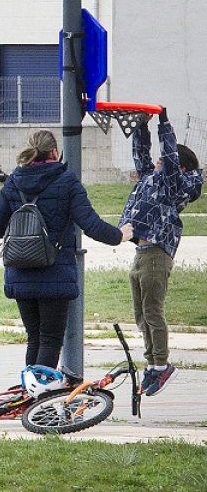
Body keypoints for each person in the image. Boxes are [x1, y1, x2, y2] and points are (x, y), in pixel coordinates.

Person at [0, 129, 133, 370]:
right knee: (50, 340)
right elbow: (90, 224)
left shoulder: (13, 182)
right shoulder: (66, 180)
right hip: (54, 271)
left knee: (34, 338)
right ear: (55, 151)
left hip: (20, 271)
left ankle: (29, 397)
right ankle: (40, 399)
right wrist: (119, 236)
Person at [118, 108, 202, 396]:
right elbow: (141, 154)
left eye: (162, 161)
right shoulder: (149, 179)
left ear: (176, 167)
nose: (155, 162)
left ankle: (161, 365)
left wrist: (164, 121)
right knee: (141, 315)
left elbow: (167, 154)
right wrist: (142, 126)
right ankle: (152, 364)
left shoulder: (171, 184)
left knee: (153, 311)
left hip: (156, 254)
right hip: (141, 252)